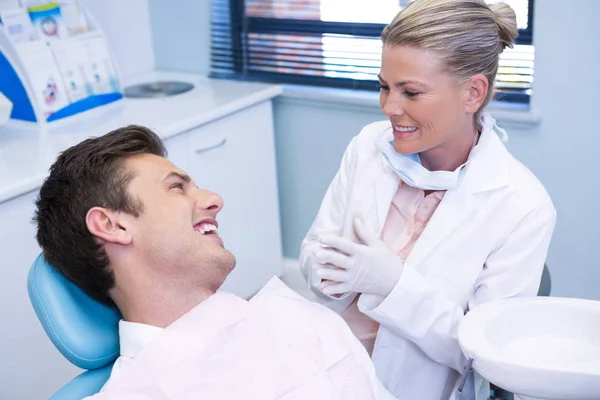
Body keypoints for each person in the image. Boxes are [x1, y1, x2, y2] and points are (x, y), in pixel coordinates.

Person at [299, 1, 556, 399]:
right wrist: (328, 274)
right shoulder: (368, 146)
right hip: (326, 364)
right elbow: (314, 248)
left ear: (473, 92)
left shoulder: (522, 205)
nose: (389, 107)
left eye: (411, 92)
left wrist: (393, 284)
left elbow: (481, 355)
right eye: (384, 86)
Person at [34, 126, 394, 400]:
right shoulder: (136, 391)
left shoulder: (302, 319)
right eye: (176, 187)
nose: (214, 199)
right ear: (112, 225)